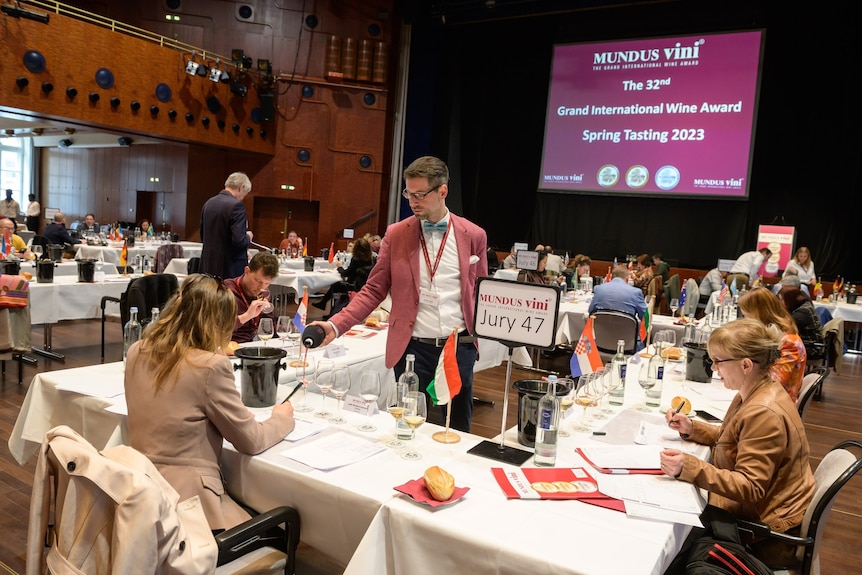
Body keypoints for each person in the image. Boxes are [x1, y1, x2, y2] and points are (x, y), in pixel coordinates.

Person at [309, 155, 488, 432]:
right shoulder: (396, 234)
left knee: (457, 429)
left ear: (442, 191)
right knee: (409, 427)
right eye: (409, 194)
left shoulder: (473, 235)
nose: (412, 201)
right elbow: (373, 290)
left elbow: (482, 293)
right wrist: (335, 325)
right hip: (412, 348)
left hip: (458, 346)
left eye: (420, 195)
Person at [124, 274, 295, 531]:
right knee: (286, 525)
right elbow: (252, 441)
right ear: (218, 322)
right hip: (189, 507)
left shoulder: (137, 350)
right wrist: (282, 419)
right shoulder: (210, 367)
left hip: (138, 488)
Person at [661, 318, 814, 570]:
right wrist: (692, 428)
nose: (713, 368)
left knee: (673, 541)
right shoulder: (758, 390)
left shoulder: (763, 411)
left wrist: (690, 467)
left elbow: (751, 486)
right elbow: (734, 439)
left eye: (718, 361)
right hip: (764, 516)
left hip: (764, 536)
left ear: (745, 364)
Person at [738, 286, 806, 401]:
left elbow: (774, 381)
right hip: (764, 397)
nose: (746, 321)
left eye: (746, 316)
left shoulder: (789, 342)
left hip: (776, 404)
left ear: (759, 314)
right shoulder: (771, 333)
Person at [200, 172, 254, 279]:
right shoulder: (237, 206)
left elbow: (203, 235)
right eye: (245, 193)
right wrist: (248, 237)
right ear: (241, 187)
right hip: (230, 268)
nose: (243, 198)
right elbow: (239, 241)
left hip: (208, 265)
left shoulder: (209, 203)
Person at [225, 252, 279, 343]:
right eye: (258, 281)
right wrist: (247, 316)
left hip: (251, 345)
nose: (261, 287)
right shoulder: (227, 290)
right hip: (228, 346)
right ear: (246, 271)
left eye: (267, 283)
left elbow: (268, 324)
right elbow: (218, 327)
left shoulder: (263, 293)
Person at [313, 237, 375, 313]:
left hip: (352, 286)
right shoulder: (370, 259)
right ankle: (324, 305)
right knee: (336, 285)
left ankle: (327, 307)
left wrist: (339, 267)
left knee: (335, 285)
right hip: (362, 285)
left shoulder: (356, 259)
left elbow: (346, 273)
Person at [778, 285, 824, 360]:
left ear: (790, 300)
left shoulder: (803, 312)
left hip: (811, 348)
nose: (780, 302)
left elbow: (783, 327)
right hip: (806, 344)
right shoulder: (802, 306)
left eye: (782, 299)